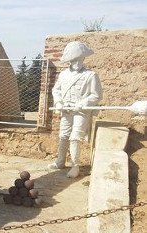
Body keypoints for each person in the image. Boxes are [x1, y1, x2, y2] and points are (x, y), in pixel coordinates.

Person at [47, 41, 103, 178]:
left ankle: (75, 165)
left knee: (75, 138)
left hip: (81, 111)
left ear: (83, 58)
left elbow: (96, 95)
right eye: (74, 59)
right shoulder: (64, 75)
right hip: (66, 109)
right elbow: (56, 90)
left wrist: (84, 102)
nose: (77, 62)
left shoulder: (90, 75)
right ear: (70, 60)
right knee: (63, 136)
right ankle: (60, 161)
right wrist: (59, 102)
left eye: (80, 59)